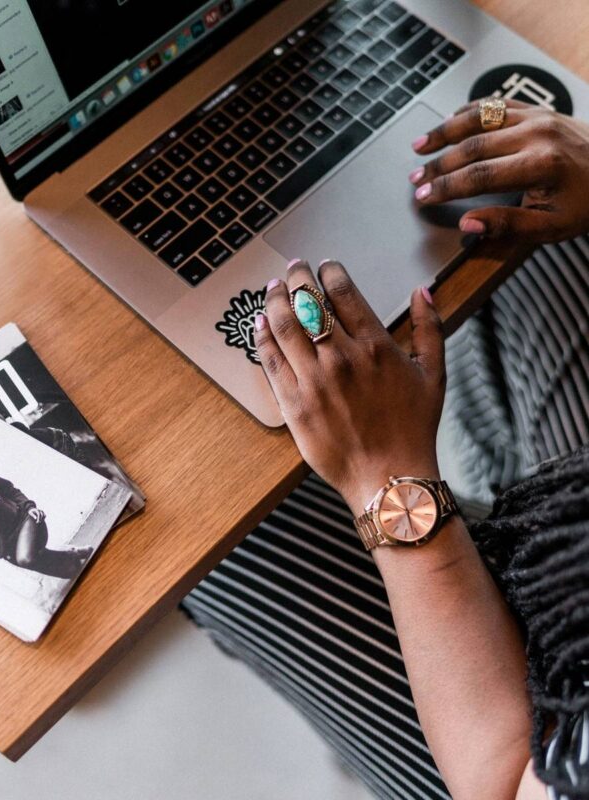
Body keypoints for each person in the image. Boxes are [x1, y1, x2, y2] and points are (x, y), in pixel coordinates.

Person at [183, 98, 589, 800]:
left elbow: (503, 779)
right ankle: (502, 511)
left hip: (524, 749)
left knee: (218, 533)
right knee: (533, 207)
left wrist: (389, 477)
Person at [0, 470, 93, 579]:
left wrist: (29, 507)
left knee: (25, 559)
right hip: (8, 542)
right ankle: (72, 554)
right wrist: (0, 550)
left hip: (24, 520)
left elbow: (10, 490)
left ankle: (72, 555)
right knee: (69, 572)